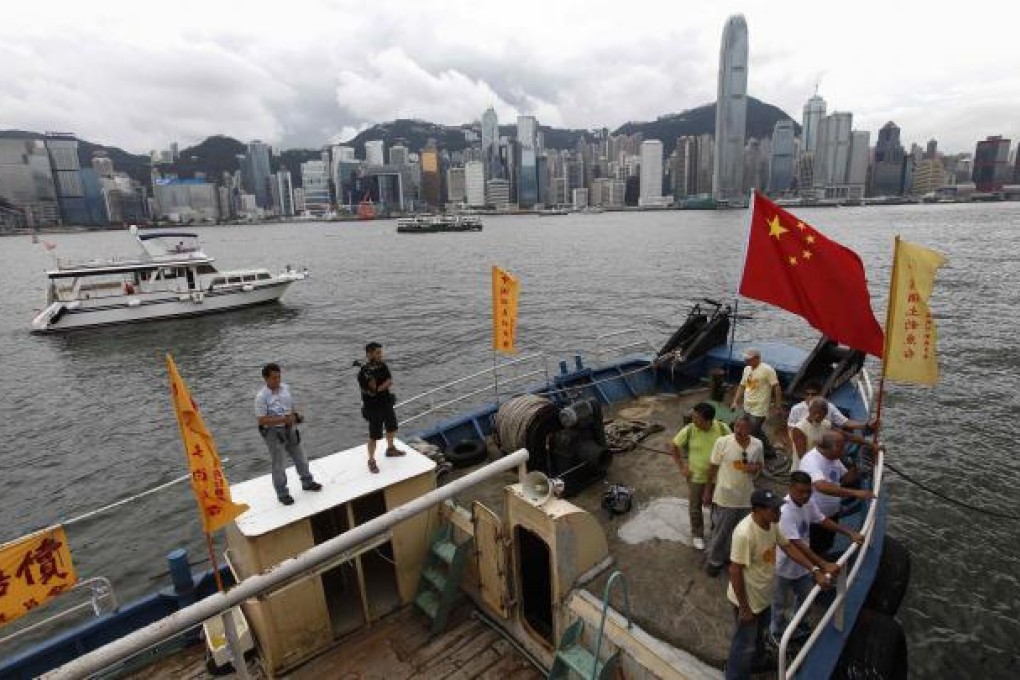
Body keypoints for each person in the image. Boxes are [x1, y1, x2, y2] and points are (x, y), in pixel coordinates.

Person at [725, 489, 832, 680]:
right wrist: (744, 608)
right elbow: (735, 571)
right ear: (758, 510)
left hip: (764, 596)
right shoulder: (744, 534)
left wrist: (814, 569)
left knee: (759, 636)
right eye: (774, 510)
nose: (779, 513)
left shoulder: (772, 525)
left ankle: (758, 662)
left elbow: (788, 547)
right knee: (743, 645)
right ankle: (735, 677)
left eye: (779, 509)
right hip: (748, 601)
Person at [770, 471, 863, 645]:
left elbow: (822, 520)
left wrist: (849, 532)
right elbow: (797, 545)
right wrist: (820, 566)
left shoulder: (808, 503)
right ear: (790, 488)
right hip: (783, 568)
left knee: (807, 598)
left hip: (802, 568)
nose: (805, 496)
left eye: (808, 492)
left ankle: (798, 625)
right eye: (801, 492)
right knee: (779, 604)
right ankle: (776, 634)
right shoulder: (784, 512)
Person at [704, 415, 763, 576]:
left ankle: (731, 557)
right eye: (736, 426)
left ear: (750, 429)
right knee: (721, 531)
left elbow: (760, 464)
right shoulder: (722, 442)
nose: (738, 430)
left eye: (743, 427)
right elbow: (712, 467)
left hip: (745, 498)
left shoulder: (757, 444)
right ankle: (714, 561)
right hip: (725, 496)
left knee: (740, 532)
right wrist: (708, 491)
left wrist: (755, 467)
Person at [798, 431, 875, 555]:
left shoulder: (834, 459)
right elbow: (822, 486)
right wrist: (855, 493)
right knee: (813, 548)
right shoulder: (811, 461)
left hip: (832, 513)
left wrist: (857, 468)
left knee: (826, 544)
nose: (844, 449)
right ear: (830, 448)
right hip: (814, 518)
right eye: (841, 446)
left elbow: (844, 479)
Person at [255, 363, 323, 505]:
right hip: (273, 432)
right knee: (278, 463)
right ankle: (282, 493)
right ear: (265, 378)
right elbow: (261, 420)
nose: (277, 380)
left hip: (290, 427)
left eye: (279, 377)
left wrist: (296, 416)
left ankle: (307, 482)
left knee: (300, 457)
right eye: (274, 378)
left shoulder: (286, 388)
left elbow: (290, 406)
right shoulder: (261, 397)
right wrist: (283, 419)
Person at [671, 402, 731, 551]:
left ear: (708, 420)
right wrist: (681, 466)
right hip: (696, 477)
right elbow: (673, 446)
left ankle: (716, 529)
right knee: (695, 506)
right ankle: (697, 534)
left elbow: (732, 446)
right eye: (693, 417)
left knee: (718, 504)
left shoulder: (723, 429)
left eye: (697, 418)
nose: (693, 421)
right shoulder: (690, 430)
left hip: (718, 476)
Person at [358, 342, 404, 474]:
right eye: (378, 352)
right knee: (374, 435)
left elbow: (389, 381)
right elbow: (372, 391)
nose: (381, 355)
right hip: (373, 408)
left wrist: (380, 387)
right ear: (369, 354)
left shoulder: (383, 365)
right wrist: (372, 380)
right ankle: (371, 460)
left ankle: (390, 449)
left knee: (392, 427)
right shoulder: (362, 374)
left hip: (386, 402)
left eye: (380, 352)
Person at [730, 348, 782, 454]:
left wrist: (778, 405)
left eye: (749, 359)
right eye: (746, 359)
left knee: (752, 430)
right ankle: (768, 449)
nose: (746, 361)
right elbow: (742, 385)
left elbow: (776, 386)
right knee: (751, 428)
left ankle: (764, 451)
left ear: (757, 358)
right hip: (747, 406)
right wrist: (735, 401)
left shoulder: (767, 370)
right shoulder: (747, 369)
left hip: (759, 408)